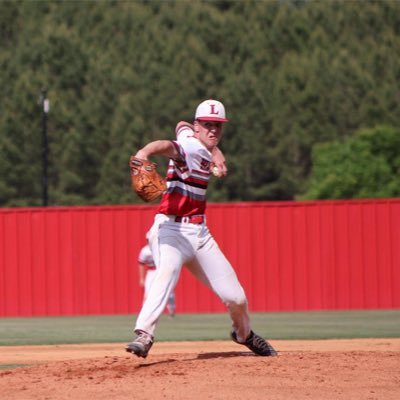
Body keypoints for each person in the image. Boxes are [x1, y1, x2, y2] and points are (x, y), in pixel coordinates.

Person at [126, 99, 277, 358]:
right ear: (198, 127)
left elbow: (180, 125)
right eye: (208, 125)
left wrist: (216, 153)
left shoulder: (194, 136)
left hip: (200, 234)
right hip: (170, 230)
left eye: (218, 125)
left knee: (236, 298)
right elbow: (167, 145)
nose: (213, 130)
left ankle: (243, 335)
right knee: (166, 272)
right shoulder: (190, 147)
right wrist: (144, 152)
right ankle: (144, 334)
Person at [138, 236, 176, 318]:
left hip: (162, 270)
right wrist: (141, 278)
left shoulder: (163, 248)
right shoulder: (145, 251)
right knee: (148, 293)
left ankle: (171, 310)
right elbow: (141, 263)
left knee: (169, 292)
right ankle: (145, 314)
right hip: (151, 271)